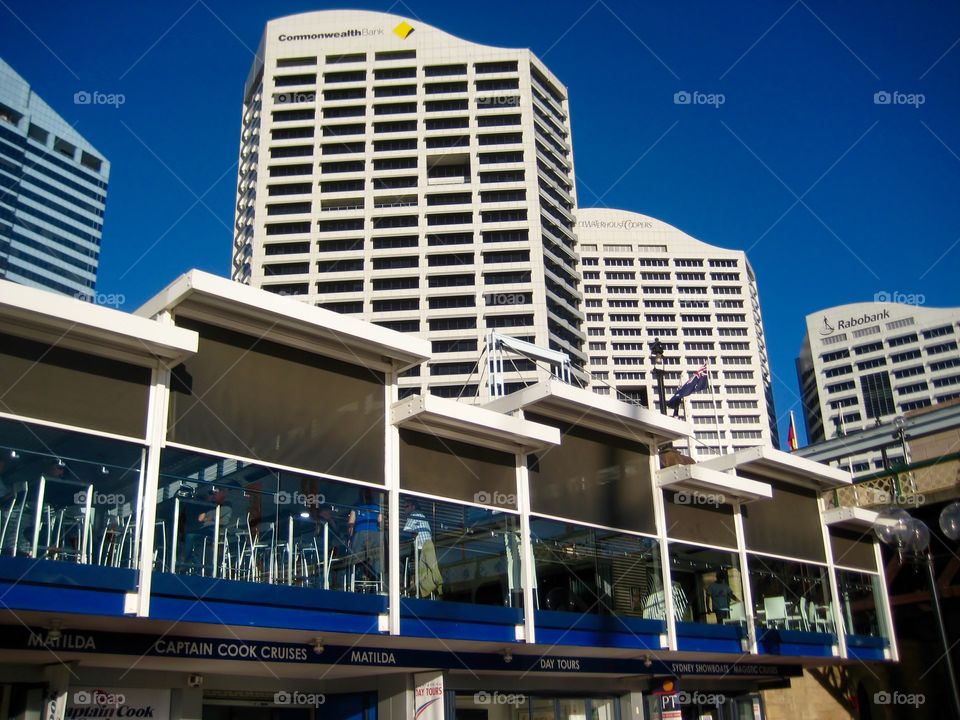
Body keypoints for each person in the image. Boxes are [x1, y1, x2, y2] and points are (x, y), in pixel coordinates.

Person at [179, 487, 233, 574]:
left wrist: (208, 517)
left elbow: (218, 519)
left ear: (223, 494)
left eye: (216, 492)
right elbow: (201, 518)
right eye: (212, 493)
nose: (214, 494)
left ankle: (184, 562)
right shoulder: (210, 505)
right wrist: (208, 517)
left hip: (214, 532)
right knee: (188, 540)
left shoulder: (226, 505)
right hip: (204, 530)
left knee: (189, 537)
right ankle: (191, 564)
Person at [401, 499, 443, 597]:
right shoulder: (422, 516)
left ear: (413, 507)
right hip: (427, 546)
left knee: (401, 559)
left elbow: (405, 532)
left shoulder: (414, 515)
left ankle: (405, 585)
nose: (404, 509)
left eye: (406, 506)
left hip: (421, 547)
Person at [346, 489, 382, 587]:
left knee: (356, 559)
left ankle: (355, 582)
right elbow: (381, 522)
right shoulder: (377, 507)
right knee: (376, 559)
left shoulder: (357, 507)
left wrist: (349, 538)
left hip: (360, 534)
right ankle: (378, 583)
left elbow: (351, 523)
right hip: (375, 534)